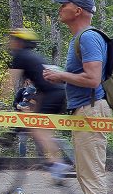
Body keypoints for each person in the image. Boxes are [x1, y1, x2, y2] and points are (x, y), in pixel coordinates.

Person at [42, 0, 113, 194]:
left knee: (90, 174)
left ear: (78, 11)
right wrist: (63, 74)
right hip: (87, 110)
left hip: (90, 111)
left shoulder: (88, 38)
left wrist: (60, 77)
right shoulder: (83, 38)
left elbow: (93, 80)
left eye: (65, 4)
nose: (61, 8)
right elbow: (86, 76)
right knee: (91, 173)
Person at [6, 28, 70, 177]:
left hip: (52, 93)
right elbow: (42, 86)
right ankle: (57, 156)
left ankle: (58, 164)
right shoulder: (33, 56)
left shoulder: (20, 56)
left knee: (37, 127)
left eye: (12, 40)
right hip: (55, 92)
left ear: (19, 42)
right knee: (40, 127)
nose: (10, 43)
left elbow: (9, 83)